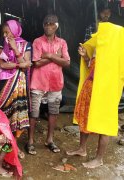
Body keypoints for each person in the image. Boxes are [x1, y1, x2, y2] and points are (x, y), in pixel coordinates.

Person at [67, 22, 124, 168]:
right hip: (89, 90)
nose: (99, 37)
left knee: (104, 125)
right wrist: (86, 57)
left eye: (102, 34)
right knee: (84, 119)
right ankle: (82, 149)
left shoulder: (117, 56)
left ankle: (99, 159)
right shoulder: (99, 51)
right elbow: (90, 68)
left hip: (105, 95)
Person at [27, 14, 70, 155]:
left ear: (56, 26)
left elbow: (67, 62)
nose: (48, 26)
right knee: (34, 113)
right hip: (38, 82)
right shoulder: (37, 42)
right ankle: (30, 142)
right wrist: (56, 56)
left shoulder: (62, 42)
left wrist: (49, 55)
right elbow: (36, 62)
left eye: (51, 24)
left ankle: (49, 140)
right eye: (46, 23)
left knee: (53, 112)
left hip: (56, 83)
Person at [0, 20, 32, 138]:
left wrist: (15, 49)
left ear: (15, 30)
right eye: (4, 33)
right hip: (5, 80)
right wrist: (18, 65)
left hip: (19, 83)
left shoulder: (26, 44)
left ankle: (13, 141)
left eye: (7, 32)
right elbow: (2, 65)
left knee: (16, 109)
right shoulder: (2, 43)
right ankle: (2, 135)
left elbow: (26, 66)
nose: (5, 35)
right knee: (2, 107)